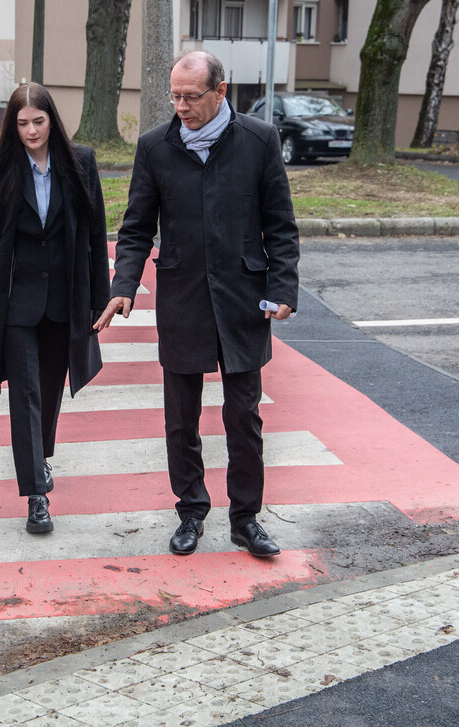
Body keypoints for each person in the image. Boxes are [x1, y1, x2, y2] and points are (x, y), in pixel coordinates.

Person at [95, 51, 299, 558]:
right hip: (182, 297)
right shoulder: (155, 147)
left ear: (220, 91)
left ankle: (246, 519)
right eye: (175, 97)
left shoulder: (259, 140)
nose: (181, 107)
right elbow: (136, 228)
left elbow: (280, 225)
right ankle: (191, 510)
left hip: (243, 299)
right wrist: (124, 284)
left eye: (191, 97)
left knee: (243, 416)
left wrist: (283, 289)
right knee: (181, 418)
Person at [0, 83, 110, 534]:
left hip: (65, 302)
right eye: (22, 123)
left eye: (38, 121)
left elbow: (96, 236)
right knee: (25, 394)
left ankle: (40, 458)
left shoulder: (81, 163)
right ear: (11, 126)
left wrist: (100, 299)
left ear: (52, 119)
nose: (31, 131)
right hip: (16, 305)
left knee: (49, 391)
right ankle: (36, 496)